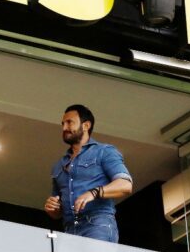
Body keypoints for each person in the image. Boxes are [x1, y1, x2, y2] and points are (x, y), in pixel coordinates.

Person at [44, 104, 132, 243]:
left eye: (69, 122)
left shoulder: (103, 151)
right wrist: (53, 208)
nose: (64, 128)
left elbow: (125, 185)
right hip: (69, 230)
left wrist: (94, 192)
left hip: (97, 224)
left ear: (86, 125)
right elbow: (57, 212)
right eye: (63, 124)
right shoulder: (58, 166)